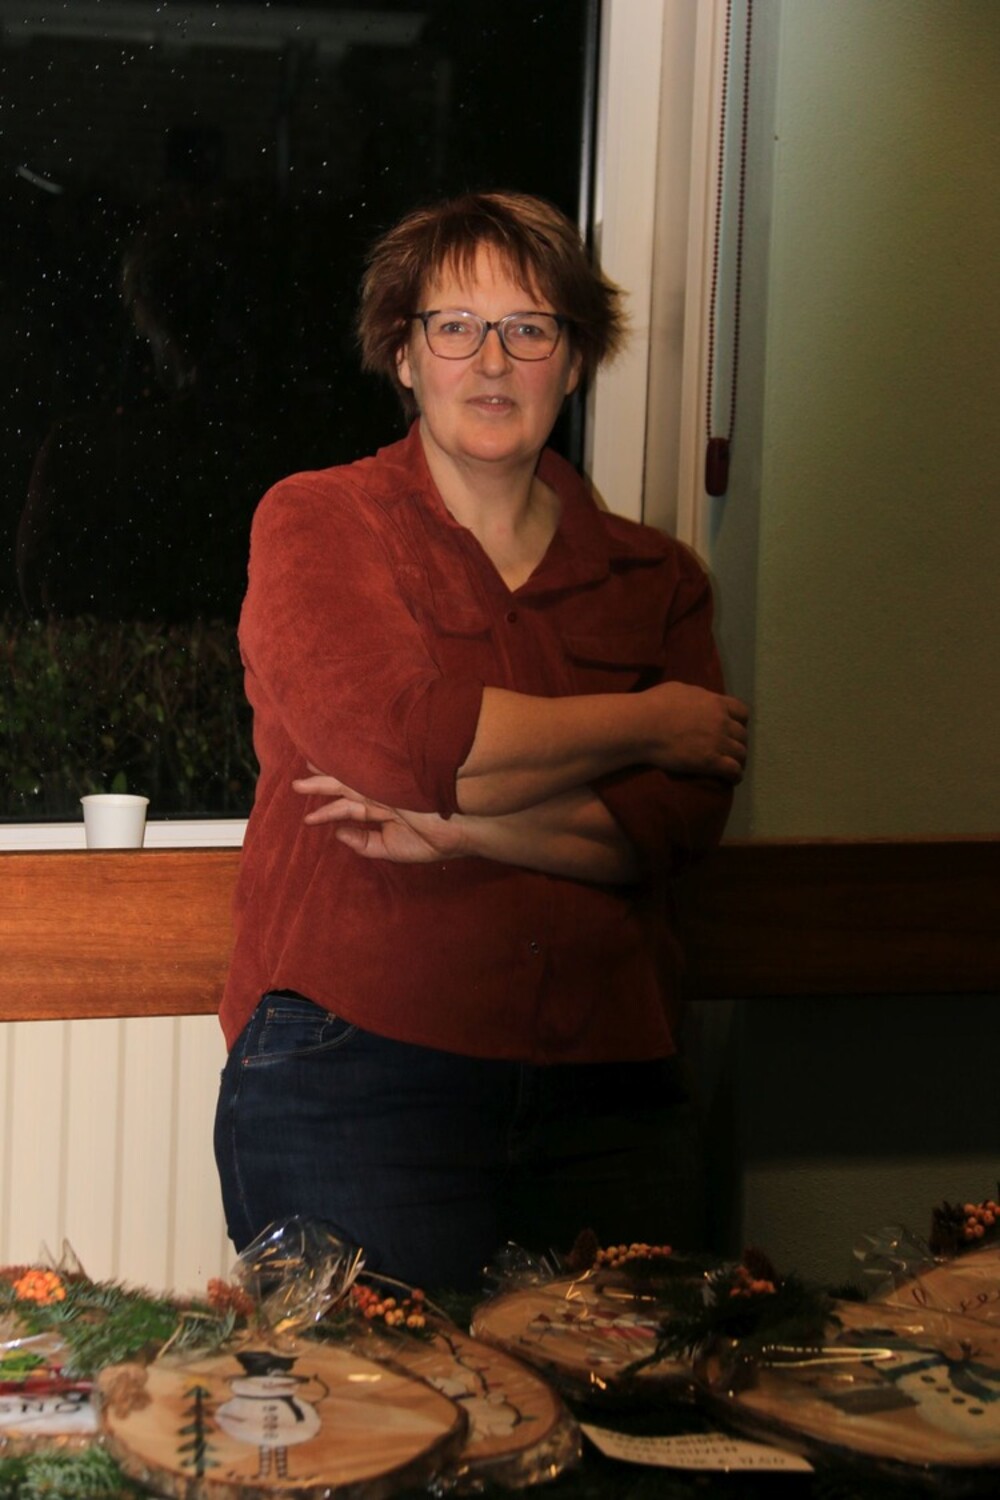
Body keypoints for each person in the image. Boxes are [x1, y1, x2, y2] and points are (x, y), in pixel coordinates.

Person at [214, 191, 749, 1291]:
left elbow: (670, 829)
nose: (492, 360)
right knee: (374, 1395)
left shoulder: (657, 580)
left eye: (529, 328)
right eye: (454, 326)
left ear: (575, 358)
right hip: (355, 1071)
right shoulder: (320, 522)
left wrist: (461, 832)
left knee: (635, 1395)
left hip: (614, 1086)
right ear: (404, 356)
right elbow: (407, 743)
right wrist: (651, 719)